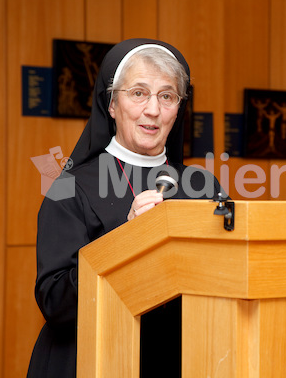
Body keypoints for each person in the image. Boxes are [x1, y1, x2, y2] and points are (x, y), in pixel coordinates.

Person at [27, 38, 223, 378]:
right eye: (138, 93)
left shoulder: (203, 187)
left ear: (178, 108)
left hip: (182, 358)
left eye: (167, 96)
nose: (153, 110)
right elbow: (55, 302)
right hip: (92, 359)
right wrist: (127, 241)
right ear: (112, 104)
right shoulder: (67, 188)